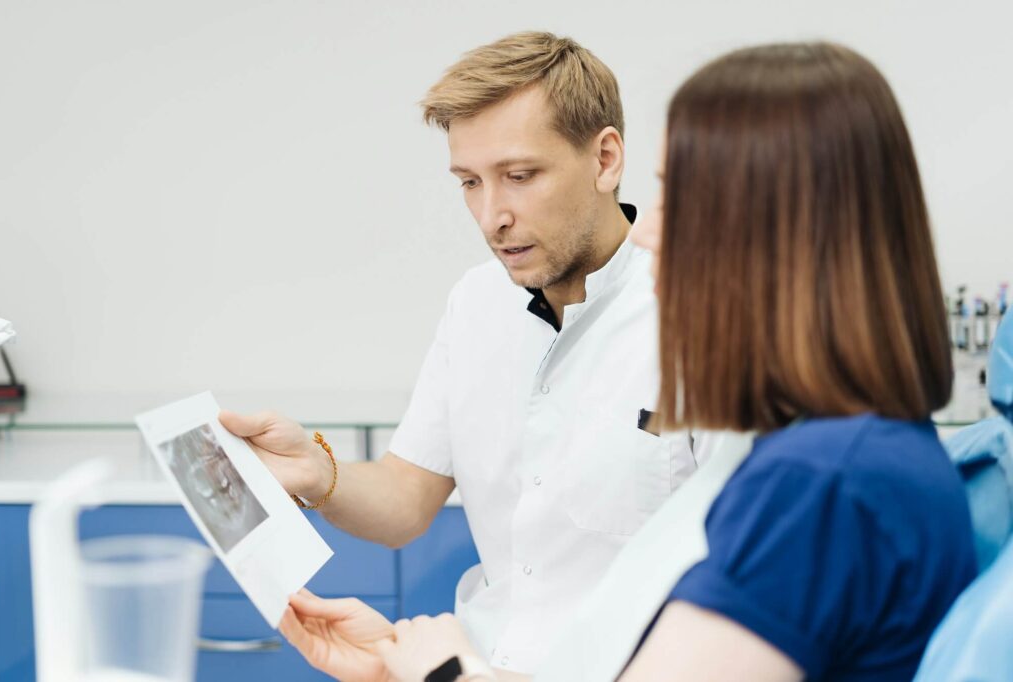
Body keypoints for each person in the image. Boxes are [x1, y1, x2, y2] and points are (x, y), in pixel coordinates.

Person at [276, 42, 978, 682]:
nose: (652, 234)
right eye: (470, 182)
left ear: (781, 232)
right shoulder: (828, 454)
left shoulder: (820, 479)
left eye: (520, 175)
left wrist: (444, 674)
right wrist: (413, 660)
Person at [219, 31, 708, 674]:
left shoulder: (704, 317)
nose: (490, 216)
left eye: (519, 176)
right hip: (464, 664)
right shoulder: (476, 302)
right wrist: (318, 471)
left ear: (606, 158)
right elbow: (404, 497)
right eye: (470, 182)